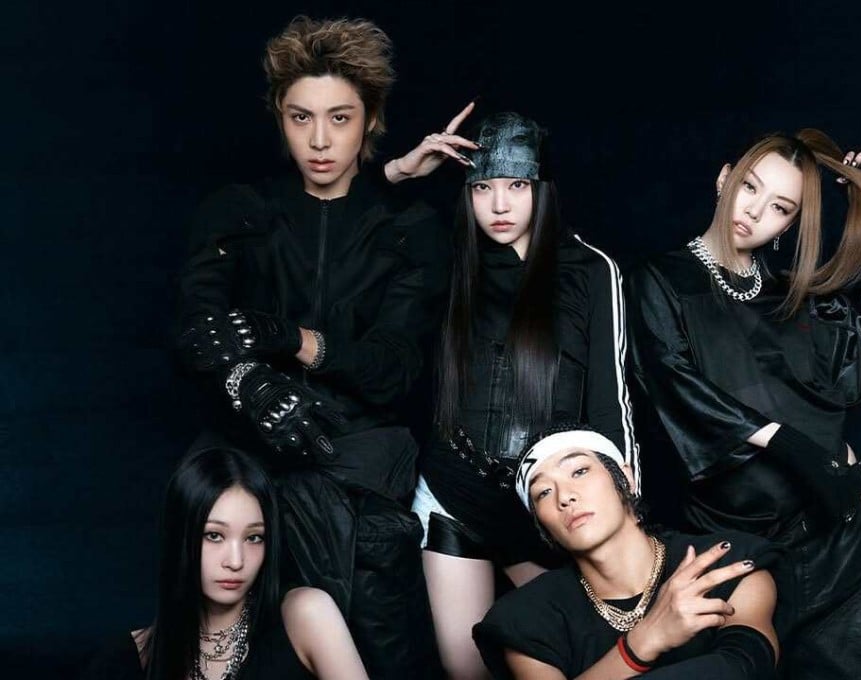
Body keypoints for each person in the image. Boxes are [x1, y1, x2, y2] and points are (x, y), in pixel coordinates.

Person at [173, 15, 447, 678]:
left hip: (359, 472)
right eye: (301, 118)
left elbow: (392, 370)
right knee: (218, 627)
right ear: (279, 117)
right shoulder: (238, 211)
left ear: (370, 120)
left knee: (379, 637)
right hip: (246, 455)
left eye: (340, 118)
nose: (320, 141)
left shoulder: (407, 229)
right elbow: (195, 334)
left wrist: (290, 339)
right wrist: (248, 382)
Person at [626, 129, 861, 679]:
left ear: (790, 224)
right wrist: (788, 445)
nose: (756, 212)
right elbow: (672, 382)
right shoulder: (660, 281)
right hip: (741, 548)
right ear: (724, 179)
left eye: (781, 207)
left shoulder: (793, 296)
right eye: (750, 187)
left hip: (842, 544)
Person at [385, 110, 639, 679]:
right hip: (453, 495)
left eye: (517, 186)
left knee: (585, 659)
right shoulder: (447, 258)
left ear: (541, 188)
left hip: (546, 503)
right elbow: (360, 228)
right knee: (468, 671)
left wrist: (625, 506)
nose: (499, 205)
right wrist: (402, 171)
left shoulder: (590, 270)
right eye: (483, 188)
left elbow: (611, 399)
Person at [473, 423, 782, 679]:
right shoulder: (526, 619)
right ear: (542, 525)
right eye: (543, 492)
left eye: (579, 471)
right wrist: (640, 645)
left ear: (626, 478)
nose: (564, 497)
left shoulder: (725, 562)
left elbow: (746, 665)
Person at [80, 447, 369, 680]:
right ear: (180, 537)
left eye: (254, 538)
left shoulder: (306, 615)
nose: (236, 561)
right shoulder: (128, 659)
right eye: (214, 536)